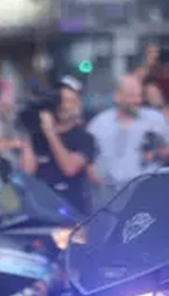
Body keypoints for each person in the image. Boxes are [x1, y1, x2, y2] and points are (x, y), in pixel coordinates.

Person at [16, 76, 98, 215]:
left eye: (71, 101)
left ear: (78, 105)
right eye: (61, 101)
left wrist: (50, 133)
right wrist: (29, 130)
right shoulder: (37, 137)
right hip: (41, 209)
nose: (65, 106)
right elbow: (26, 174)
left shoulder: (85, 138)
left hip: (72, 211)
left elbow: (70, 168)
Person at [88, 74, 169, 203]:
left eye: (139, 95)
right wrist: (98, 182)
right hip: (110, 197)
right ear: (117, 96)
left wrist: (157, 152)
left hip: (148, 194)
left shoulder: (155, 120)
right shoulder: (99, 124)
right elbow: (88, 159)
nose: (137, 100)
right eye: (131, 96)